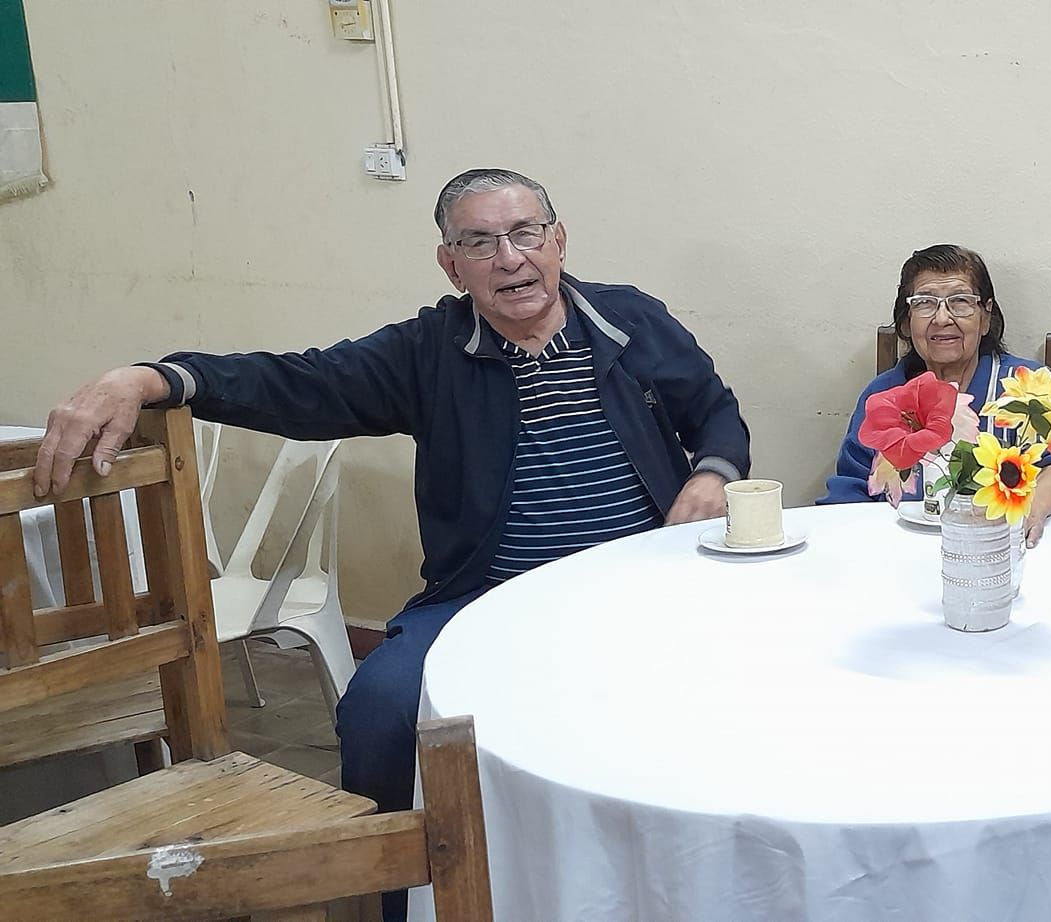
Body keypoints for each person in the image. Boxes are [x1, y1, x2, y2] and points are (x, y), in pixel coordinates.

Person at [32, 168, 750, 920]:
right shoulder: (427, 352)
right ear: (451, 264)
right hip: (485, 596)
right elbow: (299, 383)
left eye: (525, 233)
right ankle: (396, 900)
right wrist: (153, 378)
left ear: (558, 240)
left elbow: (717, 413)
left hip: (643, 580)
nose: (509, 258)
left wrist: (712, 473)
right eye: (480, 242)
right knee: (380, 704)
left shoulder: (631, 321)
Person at [820, 244, 1051, 545]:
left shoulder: (1028, 387)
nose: (942, 318)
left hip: (1004, 547)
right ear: (907, 322)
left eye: (960, 301)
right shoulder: (885, 394)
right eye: (925, 303)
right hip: (899, 551)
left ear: (985, 318)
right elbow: (850, 490)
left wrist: (1032, 514)